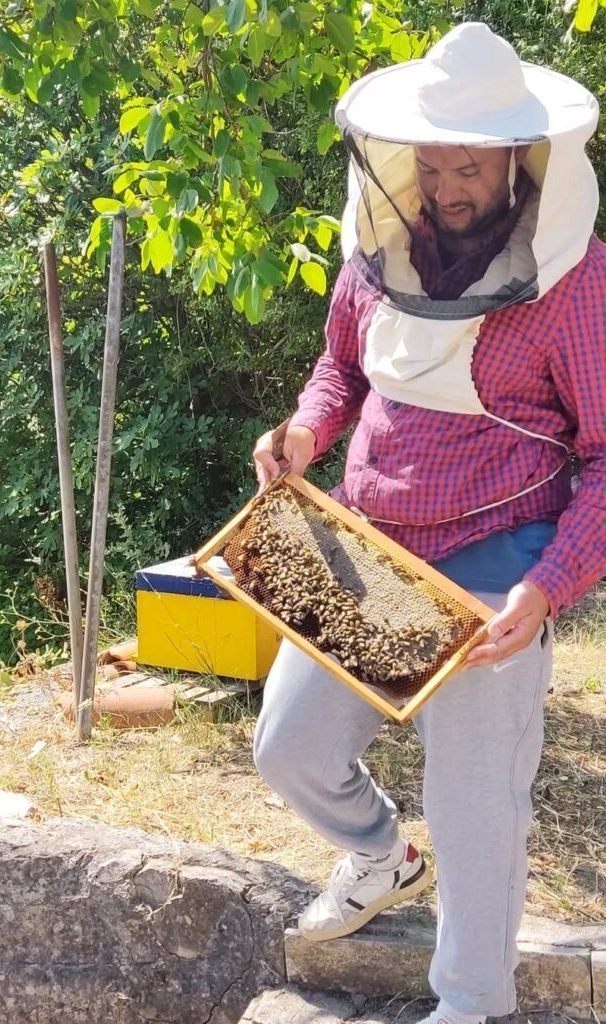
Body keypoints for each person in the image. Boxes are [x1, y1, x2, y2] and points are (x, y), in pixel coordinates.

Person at [251, 22, 605, 1024]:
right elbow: (342, 370)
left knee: (476, 804)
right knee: (288, 745)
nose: (451, 184)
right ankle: (378, 851)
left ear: (520, 163)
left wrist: (549, 590)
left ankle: (471, 1003)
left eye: (473, 165)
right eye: (437, 161)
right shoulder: (380, 245)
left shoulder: (577, 282)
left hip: (497, 570)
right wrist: (306, 430)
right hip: (368, 547)